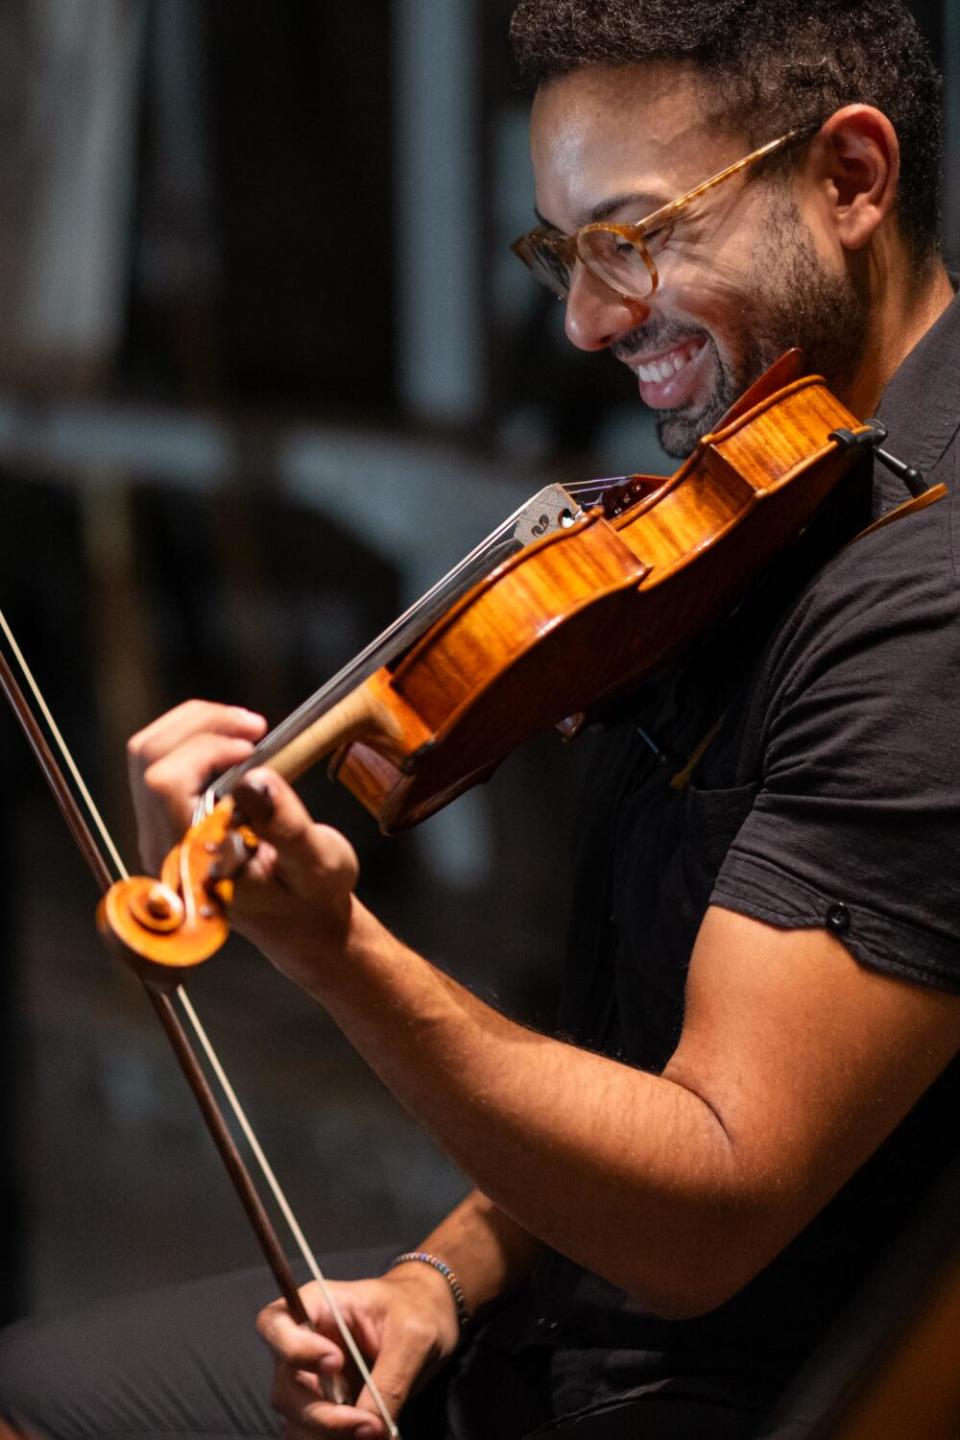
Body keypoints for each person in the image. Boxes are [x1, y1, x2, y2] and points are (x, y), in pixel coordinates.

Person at [3, 0, 960, 1436]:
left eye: (634, 235)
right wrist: (441, 1279)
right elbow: (636, 1056)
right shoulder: (782, 493)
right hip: (551, 1326)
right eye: (563, 251)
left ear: (850, 179)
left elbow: (708, 1203)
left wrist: (338, 952)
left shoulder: (925, 603)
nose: (584, 319)